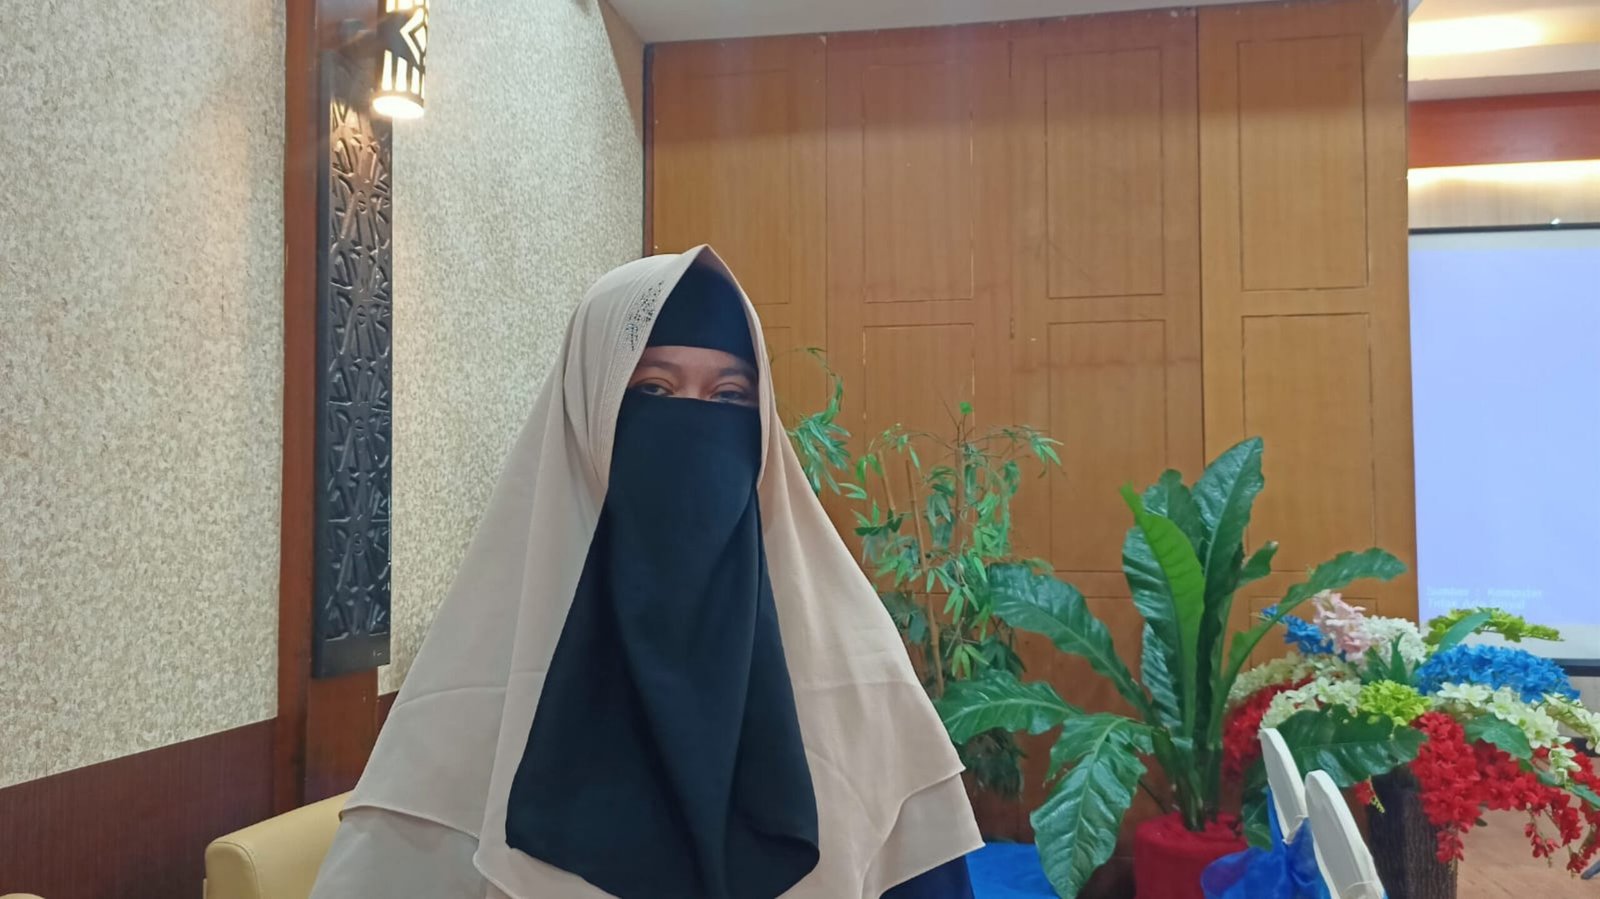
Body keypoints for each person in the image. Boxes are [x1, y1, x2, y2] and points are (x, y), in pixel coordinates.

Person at [309, 246, 981, 898]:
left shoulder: (861, 673)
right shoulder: (477, 680)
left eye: (728, 394)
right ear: (589, 414)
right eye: (654, 389)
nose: (692, 422)